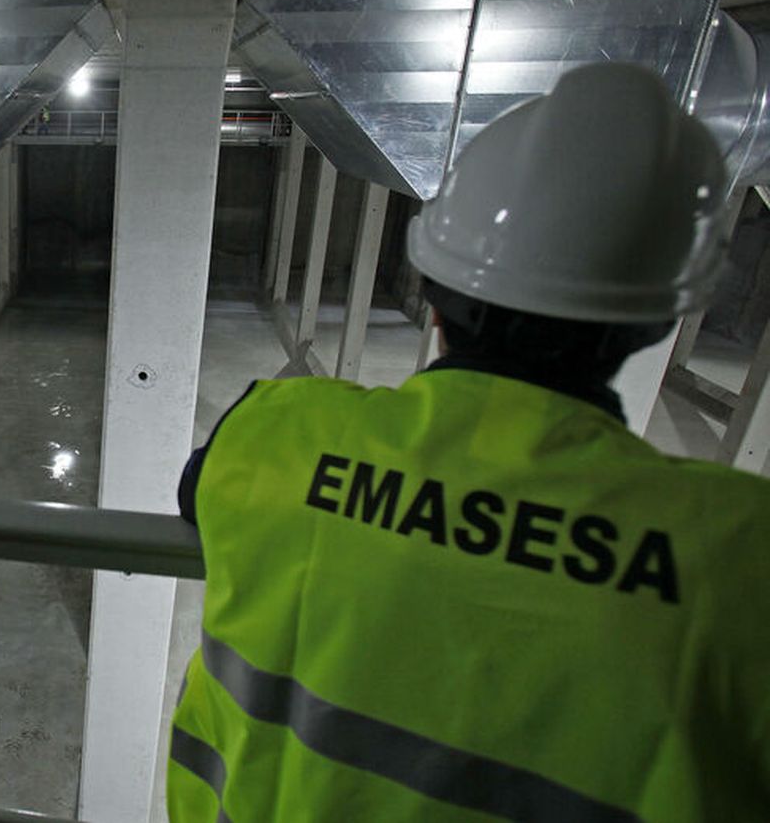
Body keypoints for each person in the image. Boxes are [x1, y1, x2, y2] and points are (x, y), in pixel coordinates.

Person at [168, 62, 770, 822]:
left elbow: (197, 496)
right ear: (657, 324)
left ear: (433, 294)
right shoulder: (738, 552)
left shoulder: (278, 429)